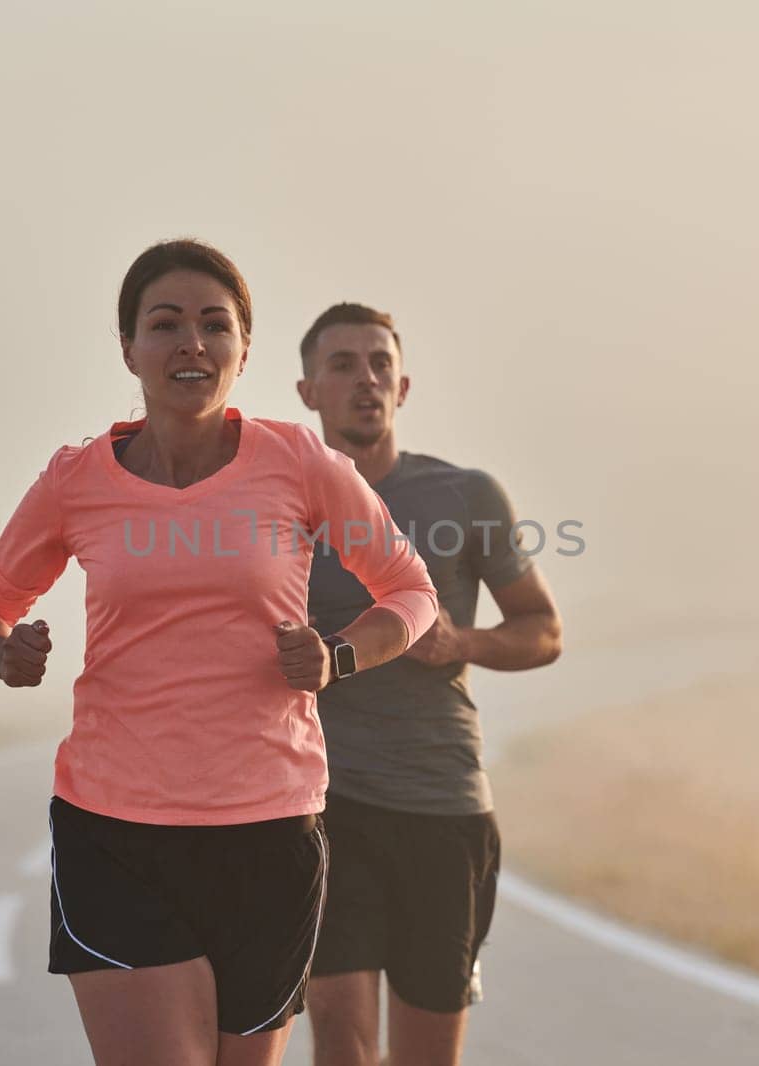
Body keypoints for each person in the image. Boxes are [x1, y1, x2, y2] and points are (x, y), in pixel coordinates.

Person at [0, 240, 438, 1066]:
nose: (192, 344)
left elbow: (410, 593)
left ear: (244, 350)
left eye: (216, 325)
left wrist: (336, 659)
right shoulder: (77, 480)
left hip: (272, 830)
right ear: (129, 349)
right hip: (115, 830)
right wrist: (1, 655)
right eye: (166, 324)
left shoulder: (300, 462)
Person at [295, 303, 563, 1066]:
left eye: (380, 364)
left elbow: (543, 629)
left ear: (403, 387)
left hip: (441, 804)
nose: (365, 379)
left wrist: (460, 641)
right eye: (342, 364)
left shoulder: (465, 496)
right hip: (323, 803)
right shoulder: (279, 503)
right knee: (341, 1036)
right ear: (308, 389)